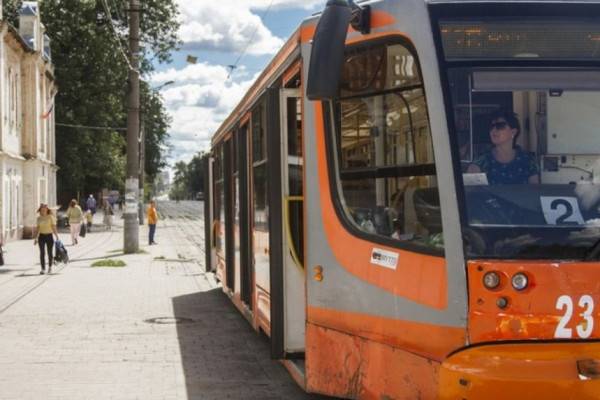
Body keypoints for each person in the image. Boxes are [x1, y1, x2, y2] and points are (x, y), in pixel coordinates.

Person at [467, 110, 539, 185]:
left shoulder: (528, 161)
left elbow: (534, 192)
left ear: (513, 132)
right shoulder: (480, 162)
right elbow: (473, 193)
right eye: (491, 127)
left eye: (500, 126)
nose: (494, 130)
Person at [33, 203, 59, 274]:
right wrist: (36, 238)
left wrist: (56, 236)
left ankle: (50, 267)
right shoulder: (39, 218)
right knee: (42, 253)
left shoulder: (50, 217)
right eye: (42, 208)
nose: (44, 209)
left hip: (49, 236)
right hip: (41, 236)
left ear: (47, 209)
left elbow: (53, 227)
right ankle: (43, 269)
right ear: (40, 209)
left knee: (50, 253)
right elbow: (38, 229)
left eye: (45, 208)